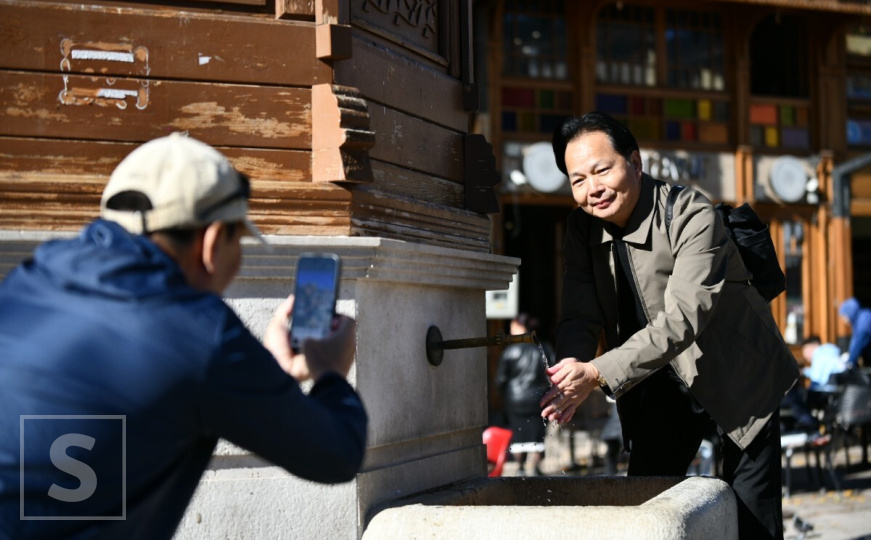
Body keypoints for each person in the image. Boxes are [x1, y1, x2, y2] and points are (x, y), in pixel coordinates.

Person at [0, 133, 368, 540]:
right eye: (239, 241)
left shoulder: (30, 278)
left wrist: (264, 373)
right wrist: (331, 373)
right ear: (212, 242)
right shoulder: (201, 335)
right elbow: (336, 453)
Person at [541, 112, 799, 540]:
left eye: (602, 169)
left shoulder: (690, 213)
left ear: (635, 162)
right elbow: (580, 314)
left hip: (739, 374)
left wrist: (598, 372)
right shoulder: (580, 228)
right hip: (659, 383)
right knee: (648, 508)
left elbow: (684, 317)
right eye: (578, 180)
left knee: (752, 519)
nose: (593, 189)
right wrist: (571, 367)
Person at [495, 313, 553, 476]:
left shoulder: (510, 351)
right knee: (536, 432)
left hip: (515, 399)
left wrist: (504, 395)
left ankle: (520, 467)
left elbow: (501, 378)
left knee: (518, 432)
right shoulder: (543, 347)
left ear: (521, 327)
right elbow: (551, 372)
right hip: (537, 397)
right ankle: (535, 466)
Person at [839, 297, 871, 368]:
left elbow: (859, 341)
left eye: (844, 316)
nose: (844, 321)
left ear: (850, 312)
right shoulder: (858, 321)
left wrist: (850, 361)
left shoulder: (864, 320)